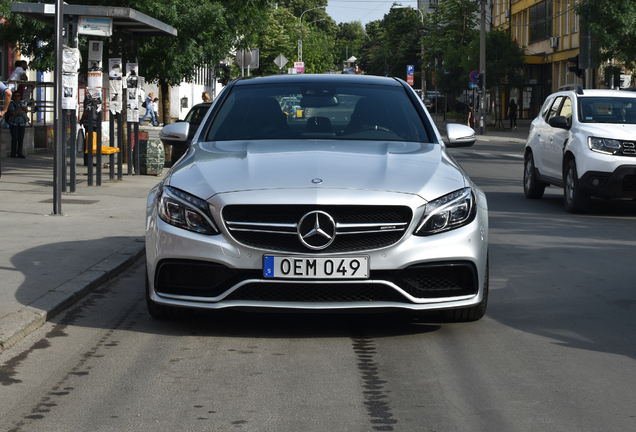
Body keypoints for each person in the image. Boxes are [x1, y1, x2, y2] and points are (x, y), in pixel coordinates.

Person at [7, 91, 29, 158]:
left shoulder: (21, 103)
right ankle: (13, 153)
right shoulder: (11, 103)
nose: (17, 97)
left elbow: (25, 112)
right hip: (14, 123)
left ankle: (20, 152)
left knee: (21, 138)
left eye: (18, 96)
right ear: (13, 97)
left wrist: (26, 109)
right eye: (16, 96)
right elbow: (14, 113)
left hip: (21, 123)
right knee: (15, 138)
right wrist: (21, 109)